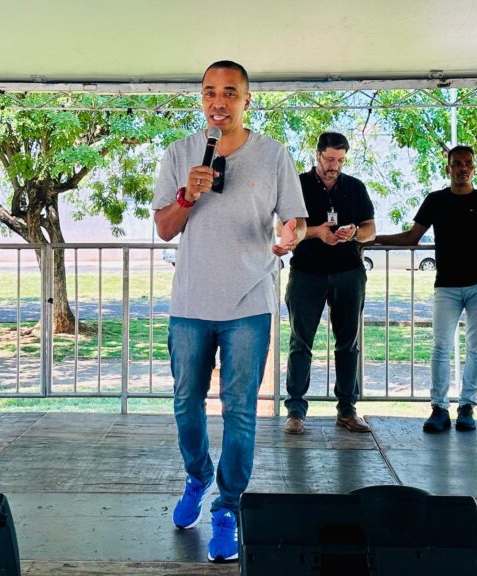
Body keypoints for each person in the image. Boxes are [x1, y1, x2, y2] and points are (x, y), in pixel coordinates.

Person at [152, 60, 307, 562]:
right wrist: (187, 195)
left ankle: (228, 505)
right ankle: (196, 477)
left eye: (230, 93)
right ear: (202, 98)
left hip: (249, 303)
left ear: (246, 100)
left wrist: (291, 234)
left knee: (240, 410)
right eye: (209, 92)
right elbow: (165, 228)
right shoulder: (178, 153)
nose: (219, 101)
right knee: (185, 403)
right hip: (191, 303)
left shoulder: (274, 155)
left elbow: (296, 222)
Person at [374, 146, 477, 433]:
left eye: (468, 164)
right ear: (448, 168)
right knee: (440, 347)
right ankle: (439, 408)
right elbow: (412, 237)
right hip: (446, 286)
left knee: (476, 348)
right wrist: (372, 239)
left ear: (474, 168)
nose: (462, 168)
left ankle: (467, 406)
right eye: (457, 164)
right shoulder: (436, 200)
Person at [283, 132, 376, 435]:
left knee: (348, 343)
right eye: (329, 159)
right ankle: (296, 411)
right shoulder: (298, 184)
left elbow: (370, 230)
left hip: (348, 272)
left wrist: (354, 234)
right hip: (307, 273)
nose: (334, 165)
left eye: (340, 160)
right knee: (301, 341)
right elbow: (285, 230)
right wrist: (316, 233)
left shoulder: (355, 187)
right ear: (318, 154)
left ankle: (347, 410)